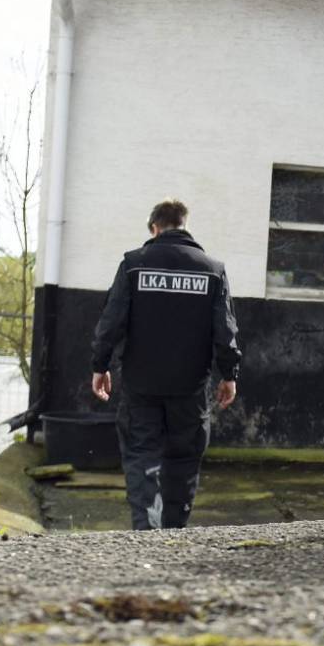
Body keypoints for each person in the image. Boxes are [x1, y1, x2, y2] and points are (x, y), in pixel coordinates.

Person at [90, 198, 241, 530]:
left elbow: (111, 321)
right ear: (184, 225)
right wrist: (229, 374)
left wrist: (99, 366)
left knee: (142, 453)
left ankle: (147, 527)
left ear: (154, 228)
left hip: (141, 385)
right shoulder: (212, 270)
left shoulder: (133, 265)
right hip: (190, 386)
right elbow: (225, 329)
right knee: (184, 458)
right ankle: (173, 529)